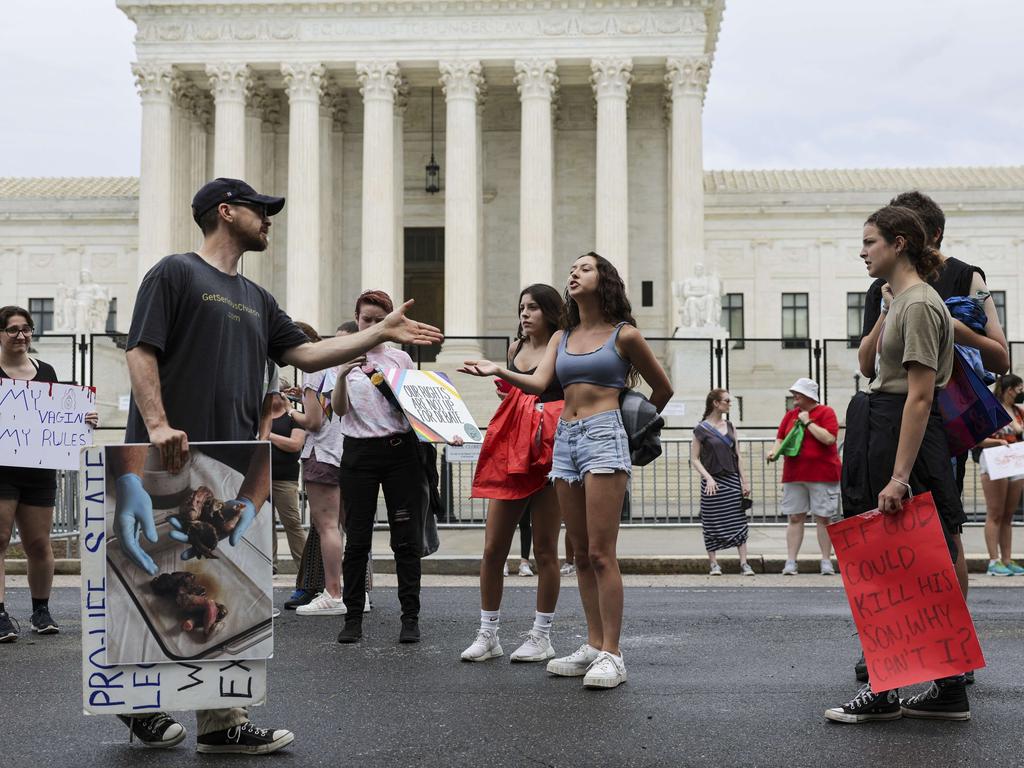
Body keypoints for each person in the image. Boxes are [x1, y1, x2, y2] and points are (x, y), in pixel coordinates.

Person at [115, 177, 442, 753]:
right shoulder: (175, 272)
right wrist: (159, 423)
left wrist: (376, 334)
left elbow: (308, 353)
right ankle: (138, 703)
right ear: (225, 212)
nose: (268, 219)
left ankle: (221, 723)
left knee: (222, 589)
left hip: (232, 462)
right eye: (259, 209)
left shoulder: (257, 298)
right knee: (156, 576)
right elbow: (141, 349)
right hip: (171, 450)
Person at [460, 252, 673, 689]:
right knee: (577, 554)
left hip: (602, 437)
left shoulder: (624, 335)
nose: (575, 273)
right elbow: (538, 384)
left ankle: (613, 653)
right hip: (566, 440)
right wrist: (495, 368)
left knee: (600, 552)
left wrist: (628, 429)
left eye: (585, 268)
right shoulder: (564, 335)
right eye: (572, 269)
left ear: (604, 280)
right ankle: (594, 644)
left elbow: (662, 389)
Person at [827, 204, 969, 724]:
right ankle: (948, 688)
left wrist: (899, 477)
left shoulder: (919, 306)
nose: (863, 251)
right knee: (911, 565)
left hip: (898, 434)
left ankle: (886, 690)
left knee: (887, 565)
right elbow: (873, 367)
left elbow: (919, 397)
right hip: (886, 428)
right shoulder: (904, 303)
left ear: (899, 243)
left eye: (870, 242)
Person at [859, 190, 1009, 600]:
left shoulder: (962, 279)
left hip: (943, 418)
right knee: (917, 528)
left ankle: (947, 631)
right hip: (898, 417)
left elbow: (1000, 358)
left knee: (942, 526)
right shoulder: (885, 289)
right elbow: (867, 364)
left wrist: (944, 325)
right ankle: (920, 632)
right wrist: (893, 313)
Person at [460, 284, 565, 663]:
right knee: (492, 549)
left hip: (548, 452)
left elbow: (539, 387)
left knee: (545, 549)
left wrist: (501, 373)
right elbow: (514, 396)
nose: (525, 314)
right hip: (512, 451)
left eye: (534, 307)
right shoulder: (515, 348)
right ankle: (488, 633)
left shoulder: (559, 340)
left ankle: (542, 635)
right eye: (522, 307)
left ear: (550, 312)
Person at [331, 290, 428, 644]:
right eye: (365, 319)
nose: (370, 325)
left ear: (390, 321)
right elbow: (339, 411)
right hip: (359, 454)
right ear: (356, 319)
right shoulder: (341, 357)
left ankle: (410, 617)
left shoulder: (400, 359)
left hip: (399, 452)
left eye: (377, 319)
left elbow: (417, 406)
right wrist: (342, 374)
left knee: (405, 540)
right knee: (357, 541)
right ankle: (353, 617)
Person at [0, 305, 99, 642]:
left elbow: (61, 416)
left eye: (26, 328)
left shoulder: (47, 371)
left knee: (39, 543)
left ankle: (41, 610)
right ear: (0, 335)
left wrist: (85, 420)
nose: (21, 335)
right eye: (13, 329)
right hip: (1, 471)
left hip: (38, 471)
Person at [285, 321, 359, 610]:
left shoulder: (313, 369)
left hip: (323, 453)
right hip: (348, 452)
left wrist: (292, 411)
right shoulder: (343, 369)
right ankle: (357, 594)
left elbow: (313, 422)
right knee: (349, 527)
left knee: (327, 527)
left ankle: (333, 593)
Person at [767, 378, 841, 575]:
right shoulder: (790, 416)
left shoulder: (826, 412)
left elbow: (829, 438)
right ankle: (791, 561)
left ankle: (826, 561)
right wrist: (774, 451)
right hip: (794, 473)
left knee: (824, 518)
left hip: (823, 474)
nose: (794, 396)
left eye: (798, 393)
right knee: (795, 516)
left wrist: (808, 422)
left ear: (809, 395)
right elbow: (780, 437)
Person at [690, 389, 753, 576]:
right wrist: (708, 478)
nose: (729, 403)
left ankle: (744, 563)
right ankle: (714, 564)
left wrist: (745, 481)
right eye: (726, 400)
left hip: (732, 480)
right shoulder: (701, 429)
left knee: (739, 520)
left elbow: (738, 456)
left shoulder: (731, 426)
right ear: (715, 403)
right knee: (711, 522)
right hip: (712, 483)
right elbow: (694, 458)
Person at [976, 374, 1024, 577]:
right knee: (995, 512)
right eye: (1018, 388)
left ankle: (1006, 559)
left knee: (1008, 514)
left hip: (1014, 459)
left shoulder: (1017, 412)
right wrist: (997, 442)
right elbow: (978, 439)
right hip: (994, 459)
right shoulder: (990, 409)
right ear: (1008, 389)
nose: (1021, 392)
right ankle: (993, 560)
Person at [265, 380, 307, 569]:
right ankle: (269, 565)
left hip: (285, 478)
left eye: (274, 393)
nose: (270, 396)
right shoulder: (260, 415)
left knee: (292, 523)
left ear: (284, 394)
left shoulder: (293, 417)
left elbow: (295, 445)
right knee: (265, 524)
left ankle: (305, 568)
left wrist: (268, 436)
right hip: (261, 476)